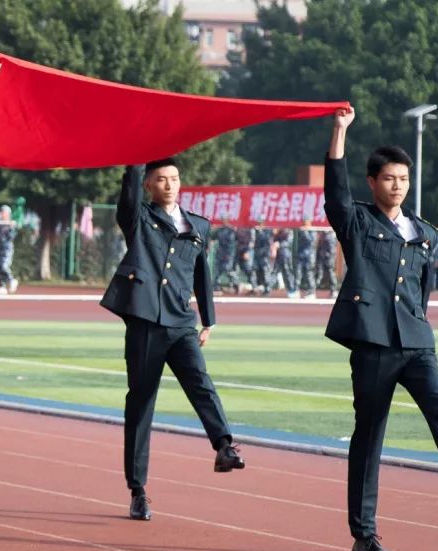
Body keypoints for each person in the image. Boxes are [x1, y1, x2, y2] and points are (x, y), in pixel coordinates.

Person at [324, 107, 438, 551]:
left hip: (415, 340)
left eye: (403, 179)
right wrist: (340, 132)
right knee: (369, 436)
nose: (397, 186)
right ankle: (364, 534)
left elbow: (421, 291)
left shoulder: (423, 233)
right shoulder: (357, 223)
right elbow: (335, 194)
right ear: (372, 181)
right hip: (374, 344)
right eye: (389, 178)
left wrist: (416, 325)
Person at [100, 159, 244, 523]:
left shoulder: (197, 225)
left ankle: (224, 445)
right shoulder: (138, 218)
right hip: (146, 321)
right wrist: (137, 158)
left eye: (175, 178)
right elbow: (128, 200)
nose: (169, 185)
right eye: (161, 179)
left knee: (200, 382)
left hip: (181, 321)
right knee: (141, 403)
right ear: (148, 185)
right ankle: (138, 490)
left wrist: (209, 320)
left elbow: (201, 274)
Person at [0, 204, 18, 294]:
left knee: (3, 266)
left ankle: (11, 280)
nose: (2, 214)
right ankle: (2, 286)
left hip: (6, 249)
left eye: (4, 212)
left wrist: (11, 228)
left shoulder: (11, 224)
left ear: (8, 214)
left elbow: (12, 237)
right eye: (1, 212)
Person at [212, 218, 237, 293]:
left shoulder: (232, 230)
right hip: (220, 253)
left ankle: (235, 284)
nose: (224, 221)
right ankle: (216, 286)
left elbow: (236, 241)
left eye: (226, 219)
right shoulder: (219, 230)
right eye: (223, 219)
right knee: (217, 270)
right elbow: (212, 237)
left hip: (229, 253)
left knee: (228, 269)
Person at [295, 215, 317, 298]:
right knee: (298, 272)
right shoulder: (301, 230)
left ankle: (311, 291)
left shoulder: (312, 231)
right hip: (301, 255)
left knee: (309, 273)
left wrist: (305, 232)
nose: (304, 223)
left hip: (309, 256)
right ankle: (296, 290)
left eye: (306, 221)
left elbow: (311, 241)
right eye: (303, 221)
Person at [273, 227, 295, 298]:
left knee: (287, 272)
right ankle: (267, 290)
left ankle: (292, 290)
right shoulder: (277, 231)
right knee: (274, 271)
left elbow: (288, 242)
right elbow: (273, 241)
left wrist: (279, 244)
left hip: (285, 255)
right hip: (277, 255)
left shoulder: (289, 231)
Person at [316, 228, 338, 298]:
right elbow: (320, 247)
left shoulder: (330, 236)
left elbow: (331, 249)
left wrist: (327, 256)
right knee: (321, 272)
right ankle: (316, 288)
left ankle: (333, 290)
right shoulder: (324, 235)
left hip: (328, 258)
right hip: (323, 257)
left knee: (330, 273)